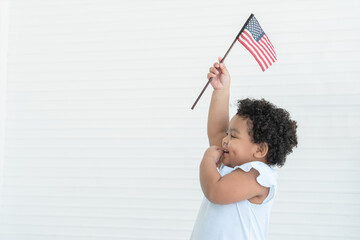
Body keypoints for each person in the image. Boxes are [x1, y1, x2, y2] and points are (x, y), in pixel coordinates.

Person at [190, 57, 298, 240]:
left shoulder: (258, 175)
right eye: (228, 134)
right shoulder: (232, 164)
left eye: (233, 135)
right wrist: (221, 89)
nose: (225, 140)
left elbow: (215, 191)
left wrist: (208, 160)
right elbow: (217, 131)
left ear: (260, 150)